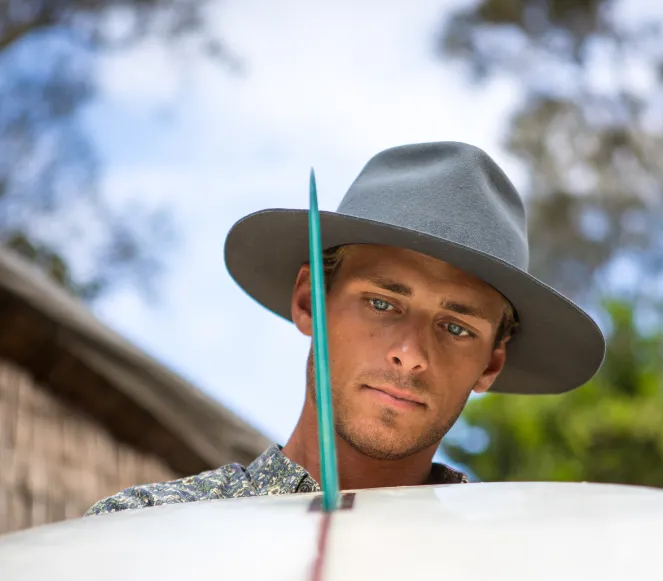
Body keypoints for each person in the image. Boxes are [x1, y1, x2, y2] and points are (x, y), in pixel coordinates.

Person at [85, 141, 605, 515]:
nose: (410, 353)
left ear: (491, 361)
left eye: (456, 328)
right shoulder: (149, 532)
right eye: (382, 303)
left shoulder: (513, 577)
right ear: (310, 301)